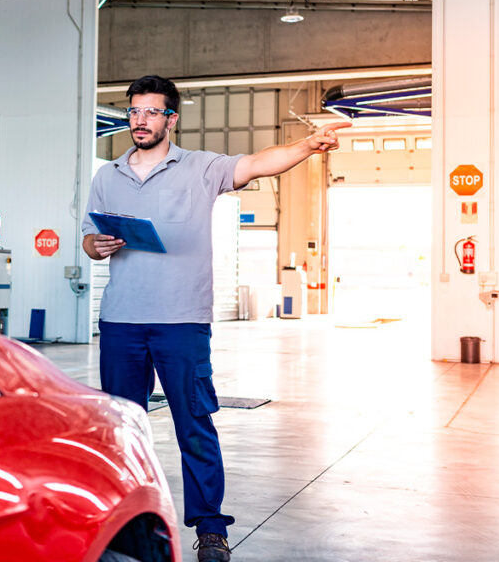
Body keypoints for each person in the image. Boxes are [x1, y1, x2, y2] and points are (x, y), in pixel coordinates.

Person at [81, 75, 349, 562]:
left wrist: (307, 146)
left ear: (171, 119)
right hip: (121, 321)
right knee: (123, 431)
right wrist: (95, 245)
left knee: (195, 425)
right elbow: (89, 238)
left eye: (151, 112)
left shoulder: (201, 168)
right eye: (134, 111)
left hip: (182, 322)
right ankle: (123, 525)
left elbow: (258, 162)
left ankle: (209, 529)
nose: (140, 120)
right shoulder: (107, 176)